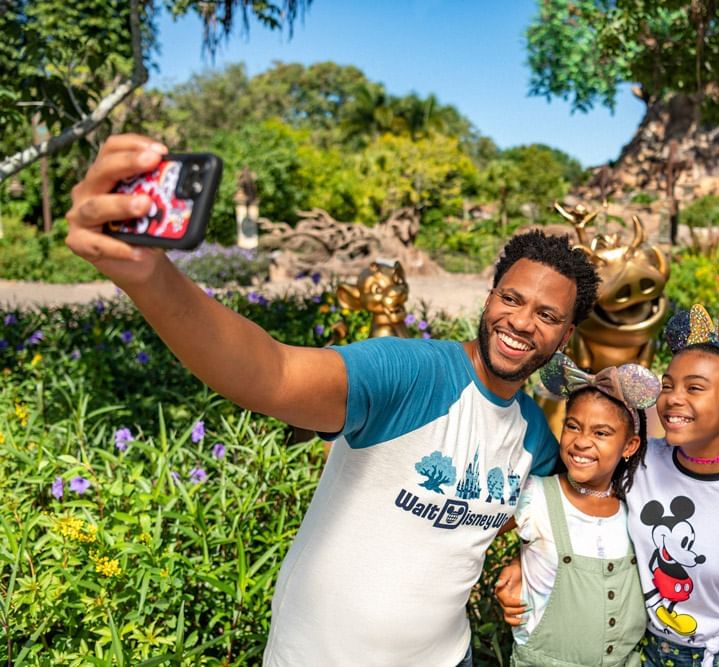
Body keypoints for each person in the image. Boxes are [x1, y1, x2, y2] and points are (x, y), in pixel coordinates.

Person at [64, 135, 601, 666]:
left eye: (548, 316)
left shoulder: (534, 433)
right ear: (489, 299)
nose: (522, 322)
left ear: (566, 335)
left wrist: (529, 560)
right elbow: (269, 373)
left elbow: (563, 509)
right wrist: (150, 276)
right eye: (511, 298)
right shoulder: (413, 375)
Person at [500, 304, 719, 667]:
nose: (673, 398)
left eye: (695, 388)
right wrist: (527, 559)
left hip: (717, 657)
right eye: (669, 385)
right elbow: (579, 509)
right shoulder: (640, 461)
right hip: (642, 652)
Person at [508, 353, 660, 666]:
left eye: (601, 433)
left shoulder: (638, 509)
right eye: (573, 427)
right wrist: (514, 567)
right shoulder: (535, 496)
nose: (581, 442)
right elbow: (470, 532)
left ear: (629, 446)